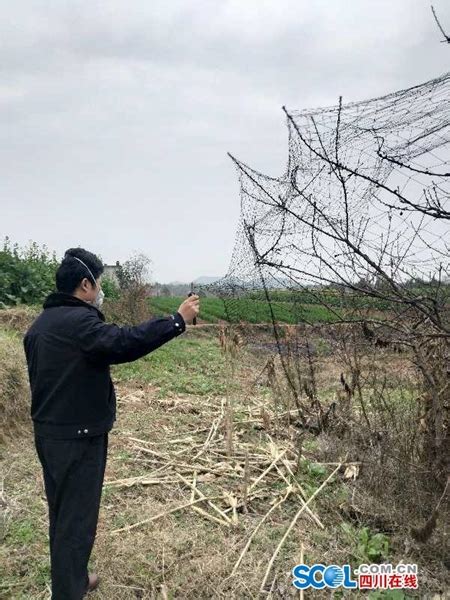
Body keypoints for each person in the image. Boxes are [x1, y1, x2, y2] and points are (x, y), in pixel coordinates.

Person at [23, 247, 200, 599]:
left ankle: (74, 579)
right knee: (76, 523)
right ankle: (69, 592)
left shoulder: (39, 326)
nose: (101, 291)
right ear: (85, 284)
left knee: (63, 516)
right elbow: (124, 342)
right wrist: (176, 321)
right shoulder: (81, 324)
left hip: (50, 435)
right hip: (78, 439)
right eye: (100, 283)